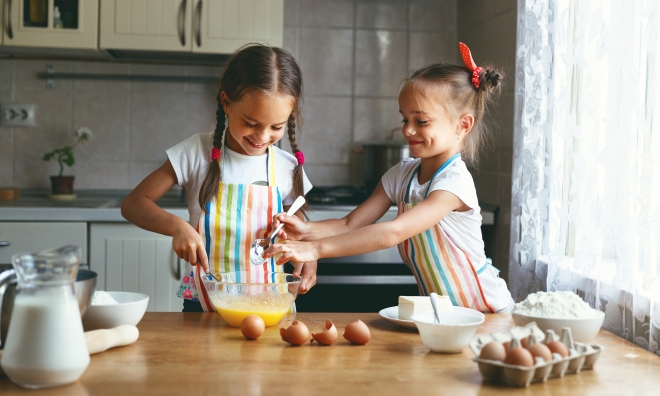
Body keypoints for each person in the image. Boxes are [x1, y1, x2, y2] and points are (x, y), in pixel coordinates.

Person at [263, 42, 514, 312]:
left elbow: (393, 232)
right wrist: (308, 231)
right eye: (405, 119)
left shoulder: (453, 183)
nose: (407, 130)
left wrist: (315, 250)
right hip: (444, 316)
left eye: (421, 121)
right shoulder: (401, 175)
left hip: (488, 312)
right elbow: (350, 224)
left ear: (462, 125)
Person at [121, 44, 316, 312]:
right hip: (204, 307)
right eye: (251, 123)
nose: (262, 137)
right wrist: (178, 227)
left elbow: (301, 229)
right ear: (226, 102)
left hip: (269, 307)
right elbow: (133, 204)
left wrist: (308, 254)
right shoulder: (194, 153)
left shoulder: (286, 167)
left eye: (276, 127)